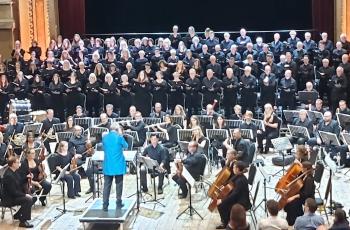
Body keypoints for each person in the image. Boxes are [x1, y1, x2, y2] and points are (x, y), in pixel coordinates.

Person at [216, 161, 251, 229]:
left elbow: (234, 195)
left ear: (238, 169)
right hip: (238, 197)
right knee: (222, 202)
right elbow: (231, 183)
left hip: (241, 202)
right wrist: (224, 186)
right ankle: (227, 220)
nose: (233, 169)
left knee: (221, 205)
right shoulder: (239, 175)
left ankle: (225, 223)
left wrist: (222, 200)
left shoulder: (241, 180)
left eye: (234, 167)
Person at [102, 123, 128, 211]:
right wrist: (120, 134)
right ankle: (119, 202)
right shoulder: (119, 137)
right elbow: (126, 146)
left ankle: (105, 205)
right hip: (118, 166)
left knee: (107, 186)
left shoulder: (105, 138)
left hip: (108, 166)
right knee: (119, 185)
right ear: (117, 129)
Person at [2, 156, 34, 228]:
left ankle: (18, 214)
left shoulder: (15, 171)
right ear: (13, 164)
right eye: (18, 162)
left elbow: (19, 181)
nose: (19, 164)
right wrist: (25, 195)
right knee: (28, 199)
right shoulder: (8, 175)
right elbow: (13, 192)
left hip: (15, 195)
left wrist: (27, 177)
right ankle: (23, 221)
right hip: (9, 199)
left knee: (32, 197)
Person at [284, 161, 316, 226]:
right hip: (302, 195)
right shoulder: (304, 175)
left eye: (302, 168)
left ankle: (294, 221)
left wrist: (294, 197)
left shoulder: (309, 179)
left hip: (308, 198)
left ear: (306, 169)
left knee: (292, 202)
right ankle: (290, 219)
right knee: (289, 200)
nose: (301, 169)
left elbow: (306, 193)